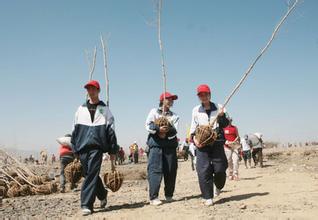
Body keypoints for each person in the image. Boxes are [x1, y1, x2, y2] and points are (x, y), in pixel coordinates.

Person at [71, 80, 118, 216]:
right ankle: (102, 195)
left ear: (98, 91)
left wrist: (113, 150)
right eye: (89, 89)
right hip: (82, 147)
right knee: (89, 174)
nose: (91, 92)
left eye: (93, 89)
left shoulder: (104, 109)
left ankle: (86, 204)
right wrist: (75, 149)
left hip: (97, 147)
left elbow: (111, 131)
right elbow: (74, 130)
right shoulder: (81, 109)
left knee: (91, 174)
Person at [190, 84, 229, 206]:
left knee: (220, 169)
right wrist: (195, 140)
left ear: (210, 94)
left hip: (217, 142)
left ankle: (218, 186)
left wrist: (222, 116)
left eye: (205, 94)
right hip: (202, 144)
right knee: (203, 170)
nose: (203, 96)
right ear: (199, 97)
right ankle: (207, 196)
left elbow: (225, 124)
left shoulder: (219, 107)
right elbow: (193, 128)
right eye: (201, 95)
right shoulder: (195, 110)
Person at [145, 92, 179, 206]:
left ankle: (169, 195)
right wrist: (158, 129)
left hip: (169, 147)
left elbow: (175, 131)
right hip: (156, 146)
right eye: (168, 99)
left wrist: (167, 130)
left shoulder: (175, 116)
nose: (170, 101)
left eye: (172, 100)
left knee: (170, 170)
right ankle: (153, 197)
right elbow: (148, 125)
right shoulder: (153, 112)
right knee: (154, 171)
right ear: (162, 100)